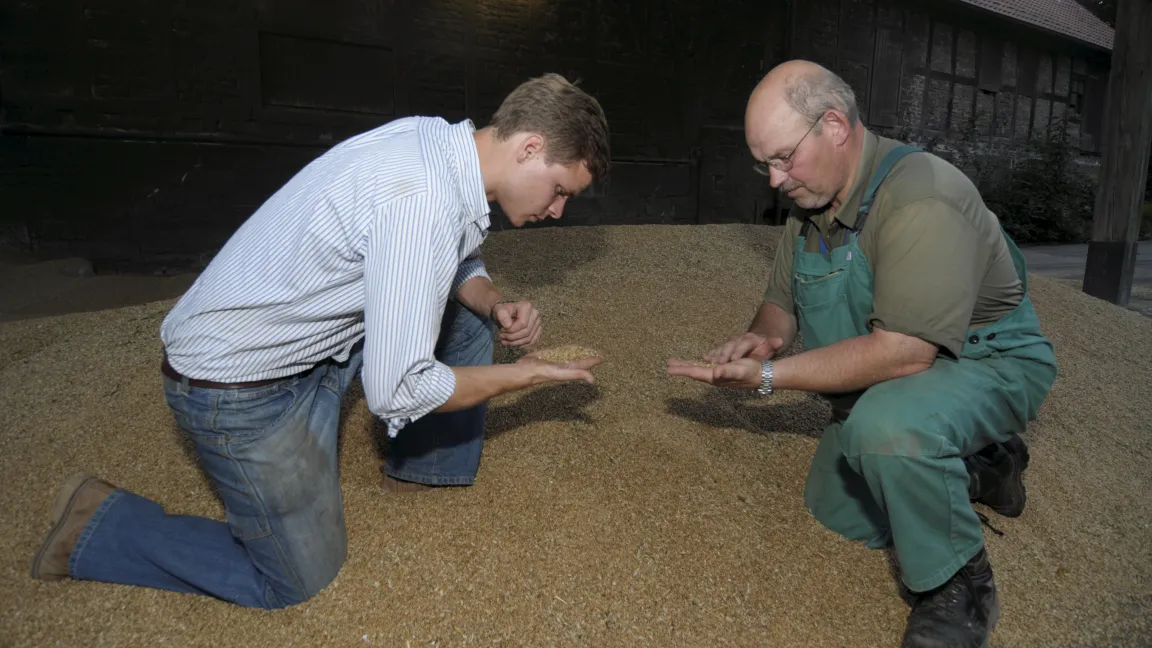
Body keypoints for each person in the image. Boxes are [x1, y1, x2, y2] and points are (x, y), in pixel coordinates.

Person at [30, 73, 611, 609]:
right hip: (237, 387)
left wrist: (490, 299)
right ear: (530, 147)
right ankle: (98, 527)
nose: (557, 211)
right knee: (296, 577)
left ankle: (424, 468)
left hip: (313, 342)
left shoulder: (441, 146)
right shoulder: (420, 203)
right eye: (560, 190)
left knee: (469, 321)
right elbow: (398, 388)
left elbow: (451, 250)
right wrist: (527, 374)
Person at [667, 60, 1056, 647]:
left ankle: (959, 588)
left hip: (986, 363)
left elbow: (902, 355)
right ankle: (984, 466)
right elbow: (781, 306)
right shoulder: (809, 210)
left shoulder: (923, 196)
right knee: (834, 503)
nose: (773, 180)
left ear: (835, 126)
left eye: (782, 158)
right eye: (763, 164)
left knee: (883, 428)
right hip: (907, 373)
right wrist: (761, 340)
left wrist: (769, 375)